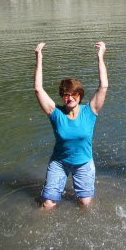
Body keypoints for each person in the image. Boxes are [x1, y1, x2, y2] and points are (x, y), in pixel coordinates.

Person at [33, 41, 108, 209]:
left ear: (80, 96)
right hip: (59, 162)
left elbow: (103, 86)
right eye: (66, 95)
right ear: (62, 97)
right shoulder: (56, 113)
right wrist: (39, 59)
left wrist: (100, 57)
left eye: (74, 94)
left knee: (85, 204)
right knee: (48, 204)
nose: (70, 98)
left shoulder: (90, 111)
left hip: (84, 163)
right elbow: (38, 89)